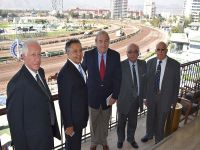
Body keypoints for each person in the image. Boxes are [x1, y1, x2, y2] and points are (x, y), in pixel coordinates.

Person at [6, 39, 61, 150]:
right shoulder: (16, 84)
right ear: (23, 57)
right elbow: (15, 124)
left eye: (39, 54)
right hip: (33, 143)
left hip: (47, 135)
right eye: (33, 55)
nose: (38, 59)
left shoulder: (40, 72)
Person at [82, 31, 121, 150]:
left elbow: (118, 77)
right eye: (100, 41)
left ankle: (103, 141)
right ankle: (94, 142)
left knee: (105, 121)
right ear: (96, 42)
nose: (103, 44)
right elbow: (82, 72)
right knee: (93, 122)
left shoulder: (115, 55)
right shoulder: (88, 55)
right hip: (92, 96)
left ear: (109, 42)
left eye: (106, 41)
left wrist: (115, 95)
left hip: (108, 97)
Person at [141, 41, 180, 144]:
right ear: (155, 51)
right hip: (151, 97)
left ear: (166, 51)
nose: (160, 52)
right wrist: (145, 97)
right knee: (150, 117)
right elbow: (145, 82)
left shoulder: (175, 65)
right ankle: (149, 134)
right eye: (158, 49)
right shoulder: (149, 63)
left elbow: (176, 84)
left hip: (165, 98)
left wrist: (174, 101)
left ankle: (159, 139)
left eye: (163, 49)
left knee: (161, 119)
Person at [57, 39, 88, 150]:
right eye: (75, 51)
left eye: (80, 50)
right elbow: (64, 102)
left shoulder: (80, 67)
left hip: (79, 119)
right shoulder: (65, 73)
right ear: (68, 53)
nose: (79, 54)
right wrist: (68, 125)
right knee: (73, 147)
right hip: (72, 123)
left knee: (74, 146)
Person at [117, 43, 147, 149]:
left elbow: (145, 82)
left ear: (138, 53)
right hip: (123, 100)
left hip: (136, 101)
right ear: (126, 53)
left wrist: (145, 97)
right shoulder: (120, 65)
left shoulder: (143, 64)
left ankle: (131, 139)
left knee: (133, 123)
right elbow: (115, 83)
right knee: (121, 123)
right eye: (130, 51)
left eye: (135, 51)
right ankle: (120, 140)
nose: (133, 54)